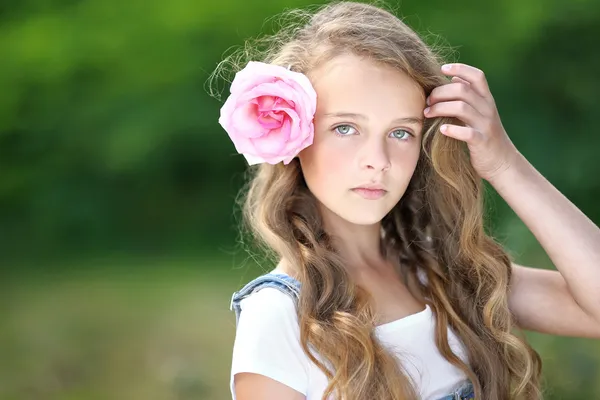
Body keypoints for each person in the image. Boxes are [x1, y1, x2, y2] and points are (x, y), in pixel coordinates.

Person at [211, 2, 600, 399]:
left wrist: (505, 165)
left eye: (401, 132)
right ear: (294, 135)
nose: (377, 162)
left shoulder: (445, 273)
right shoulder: (280, 316)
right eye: (346, 128)